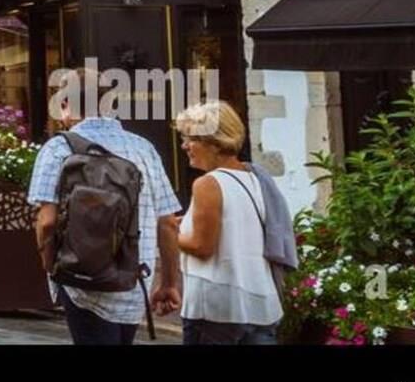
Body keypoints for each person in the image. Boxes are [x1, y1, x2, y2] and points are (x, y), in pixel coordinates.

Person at [27, 67, 182, 346]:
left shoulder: (58, 148)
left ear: (65, 103)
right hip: (134, 280)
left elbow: (47, 222)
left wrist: (51, 266)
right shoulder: (143, 148)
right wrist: (169, 282)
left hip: (81, 280)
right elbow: (168, 222)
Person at [172, 101, 282, 345]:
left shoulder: (207, 183)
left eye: (191, 138)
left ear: (214, 143)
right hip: (260, 302)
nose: (184, 145)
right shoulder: (255, 178)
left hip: (217, 309)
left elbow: (202, 247)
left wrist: (169, 234)